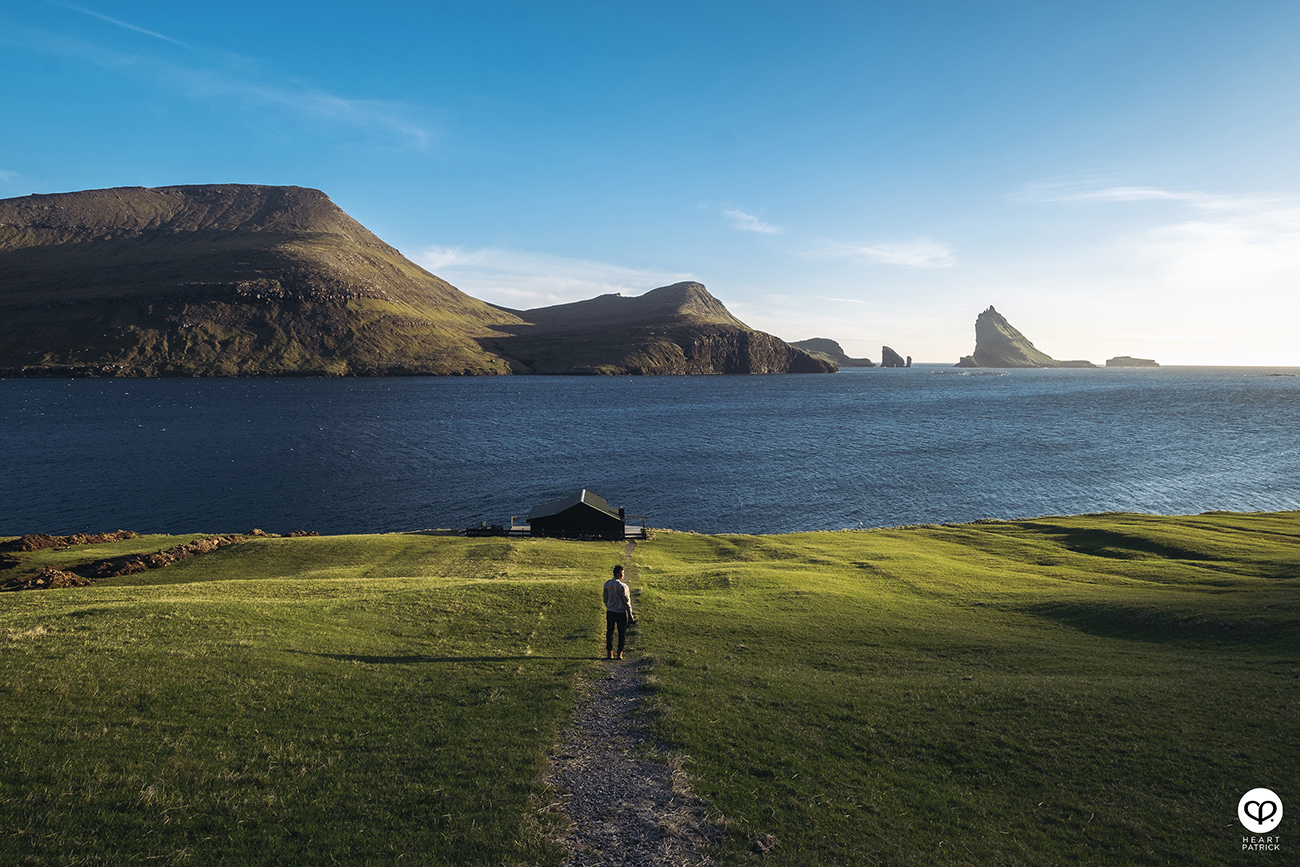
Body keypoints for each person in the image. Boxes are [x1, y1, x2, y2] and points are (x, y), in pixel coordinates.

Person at [603, 564, 634, 659]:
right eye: (622, 573)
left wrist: (608, 605)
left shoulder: (607, 584)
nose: (623, 575)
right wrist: (630, 614)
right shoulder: (623, 586)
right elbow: (627, 601)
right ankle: (620, 653)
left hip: (610, 611)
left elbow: (605, 597)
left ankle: (609, 652)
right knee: (622, 633)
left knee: (610, 632)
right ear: (618, 573)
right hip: (620, 612)